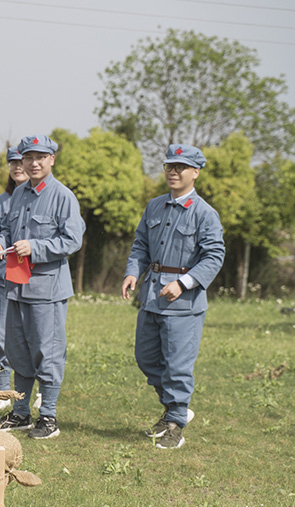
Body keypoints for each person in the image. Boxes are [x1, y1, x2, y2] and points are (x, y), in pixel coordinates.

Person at [121, 144, 225, 450]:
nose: (173, 171)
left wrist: (184, 283)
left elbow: (214, 256)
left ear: (195, 172)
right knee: (146, 358)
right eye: (169, 166)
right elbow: (140, 244)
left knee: (178, 365)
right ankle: (173, 408)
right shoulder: (154, 206)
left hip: (184, 303)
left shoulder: (205, 213)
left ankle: (176, 422)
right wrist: (132, 272)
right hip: (151, 295)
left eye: (181, 167)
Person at [0, 135, 85, 439]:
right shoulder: (18, 194)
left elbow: (72, 240)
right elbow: (4, 228)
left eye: (40, 157)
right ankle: (20, 414)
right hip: (16, 286)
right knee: (19, 351)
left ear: (51, 159)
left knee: (48, 351)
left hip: (47, 289)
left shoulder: (62, 196)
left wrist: (36, 246)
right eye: (28, 157)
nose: (33, 163)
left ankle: (49, 417)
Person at [0, 147, 29, 416]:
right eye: (12, 163)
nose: (17, 167)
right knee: (0, 336)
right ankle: (3, 391)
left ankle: (33, 394)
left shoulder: (48, 199)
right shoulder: (3, 200)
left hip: (33, 281)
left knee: (32, 338)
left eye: (21, 162)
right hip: (5, 278)